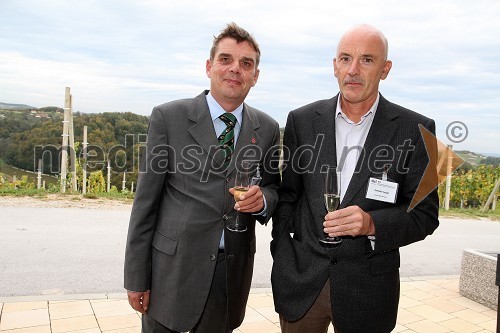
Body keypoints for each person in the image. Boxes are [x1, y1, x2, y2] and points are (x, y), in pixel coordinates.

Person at [271, 24, 439, 333]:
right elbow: (288, 197)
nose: (353, 70)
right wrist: (282, 251)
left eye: (367, 60)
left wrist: (372, 224)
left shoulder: (418, 130)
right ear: (334, 66)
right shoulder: (301, 121)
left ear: (385, 69)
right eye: (346, 58)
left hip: (369, 290)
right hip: (302, 283)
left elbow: (425, 215)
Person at [124, 22, 281, 333]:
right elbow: (145, 205)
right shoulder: (168, 118)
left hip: (229, 276)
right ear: (209, 67)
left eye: (246, 63)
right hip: (171, 273)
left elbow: (274, 188)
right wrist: (136, 278)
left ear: (255, 76)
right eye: (226, 59)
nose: (235, 69)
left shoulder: (268, 128)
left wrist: (263, 200)